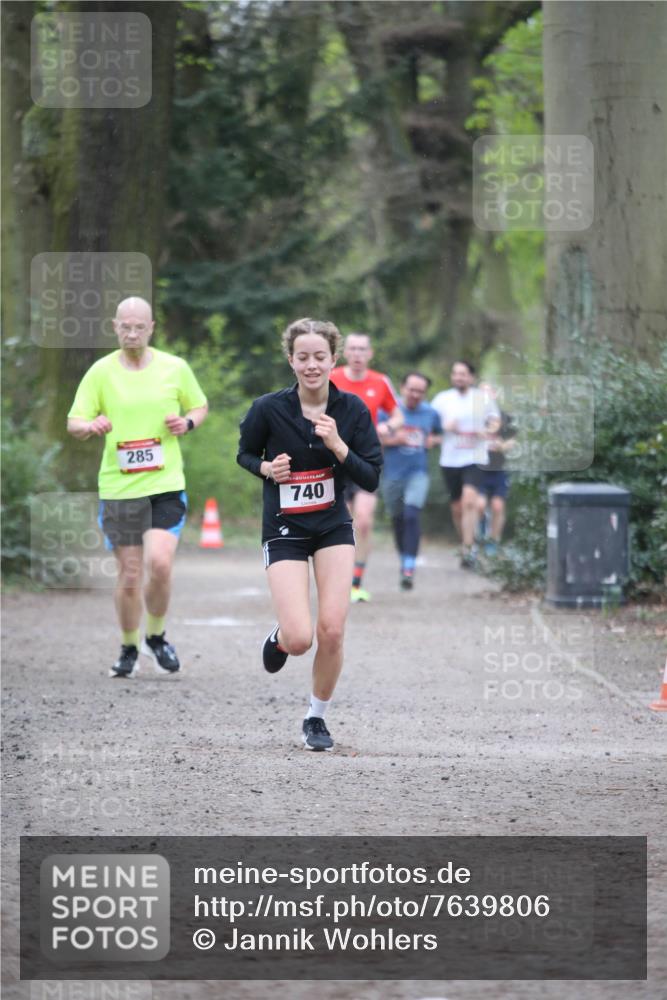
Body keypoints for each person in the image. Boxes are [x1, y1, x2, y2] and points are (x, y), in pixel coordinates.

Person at [237, 318, 382, 751]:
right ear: (291, 360)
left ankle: (315, 719)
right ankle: (279, 638)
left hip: (333, 527)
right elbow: (244, 453)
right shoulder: (268, 408)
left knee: (332, 630)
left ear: (333, 359)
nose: (312, 365)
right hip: (284, 529)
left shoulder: (352, 411)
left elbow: (371, 477)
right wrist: (266, 468)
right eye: (303, 357)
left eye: (320, 357)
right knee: (301, 638)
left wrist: (339, 447)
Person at [67, 296, 208, 678]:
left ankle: (157, 637)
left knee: (160, 564)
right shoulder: (100, 372)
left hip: (164, 484)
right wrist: (91, 426)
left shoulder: (174, 368)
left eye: (139, 326)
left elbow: (199, 406)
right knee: (129, 574)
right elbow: (74, 422)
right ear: (115, 327)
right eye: (125, 326)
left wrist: (186, 424)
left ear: (151, 328)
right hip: (119, 488)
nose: (132, 333)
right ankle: (129, 645)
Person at [329, 332, 402, 602]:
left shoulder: (380, 381)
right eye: (353, 349)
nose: (358, 354)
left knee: (364, 520)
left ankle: (356, 583)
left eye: (363, 349)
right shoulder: (332, 378)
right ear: (345, 352)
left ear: (370, 353)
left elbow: (398, 415)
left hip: (366, 460)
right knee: (343, 523)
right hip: (335, 459)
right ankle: (340, 579)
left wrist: (387, 426)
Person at [431, 361, 499, 569]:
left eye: (463, 374)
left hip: (475, 457)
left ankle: (469, 549)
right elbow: (430, 425)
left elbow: (496, 422)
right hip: (450, 459)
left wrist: (486, 432)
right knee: (458, 508)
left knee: (470, 501)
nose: (459, 377)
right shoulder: (442, 399)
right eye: (456, 374)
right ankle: (465, 543)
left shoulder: (482, 398)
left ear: (471, 377)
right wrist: (444, 427)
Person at [379, 373, 442, 589]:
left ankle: (409, 567)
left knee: (412, 514)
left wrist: (432, 440)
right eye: (411, 389)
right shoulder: (387, 411)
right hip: (392, 474)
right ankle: (404, 559)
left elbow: (439, 434)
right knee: (398, 520)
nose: (415, 394)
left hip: (418, 473)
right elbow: (373, 438)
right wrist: (396, 439)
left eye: (420, 391)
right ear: (402, 388)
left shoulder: (431, 413)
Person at [476, 383, 517, 555]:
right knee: (479, 506)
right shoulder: (473, 416)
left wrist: (502, 445)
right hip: (478, 469)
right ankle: (479, 534)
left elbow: (514, 440)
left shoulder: (505, 417)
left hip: (498, 468)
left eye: (488, 392)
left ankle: (493, 541)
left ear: (494, 394)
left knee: (498, 506)